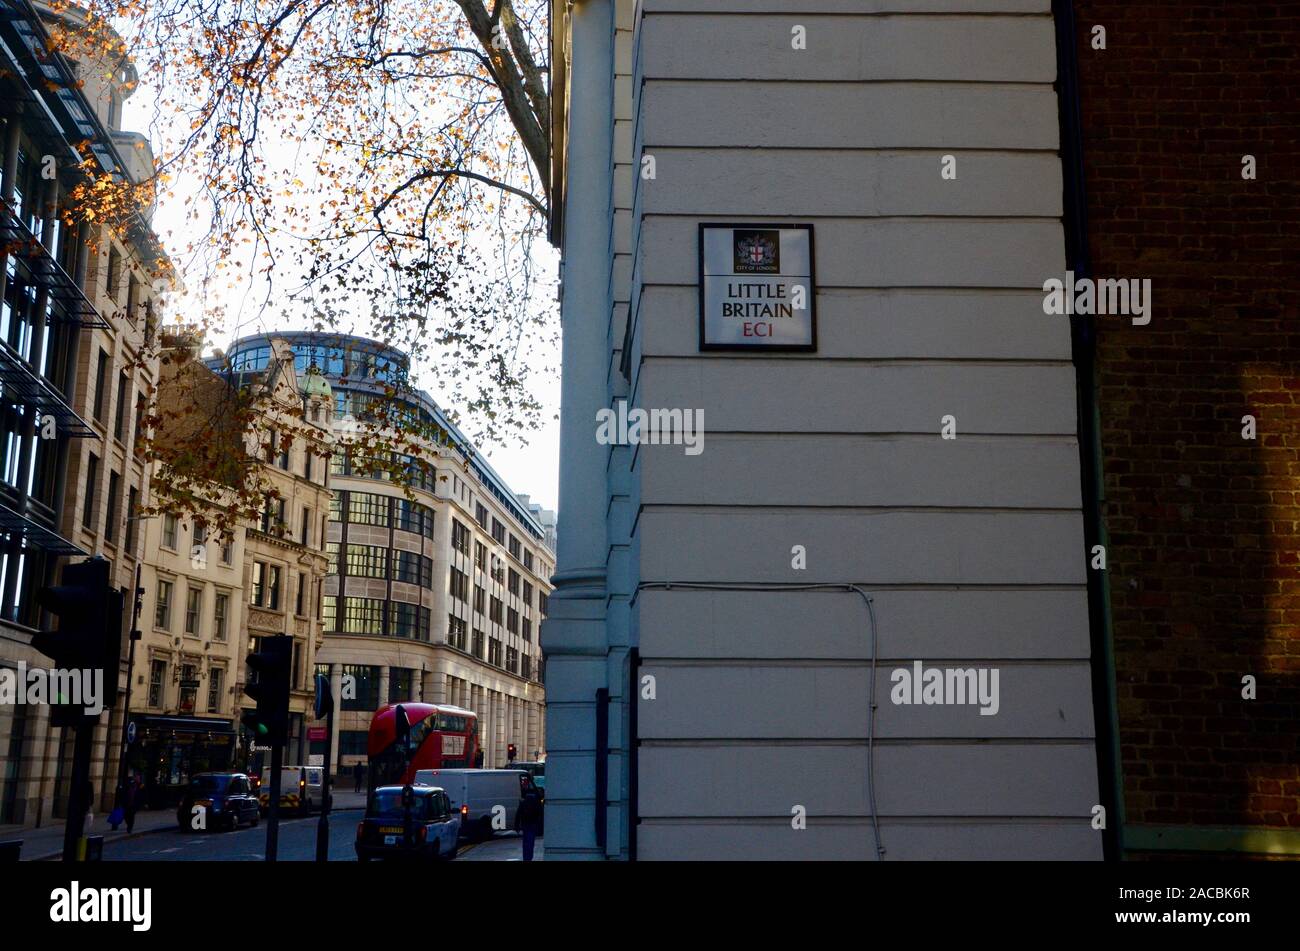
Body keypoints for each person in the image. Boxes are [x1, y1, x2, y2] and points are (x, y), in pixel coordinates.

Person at [516, 778, 543, 862]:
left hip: (525, 824)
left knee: (525, 842)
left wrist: (516, 826)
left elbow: (518, 815)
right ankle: (529, 857)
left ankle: (526, 857)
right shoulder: (535, 803)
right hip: (532, 824)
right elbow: (540, 814)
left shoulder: (523, 803)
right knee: (531, 842)